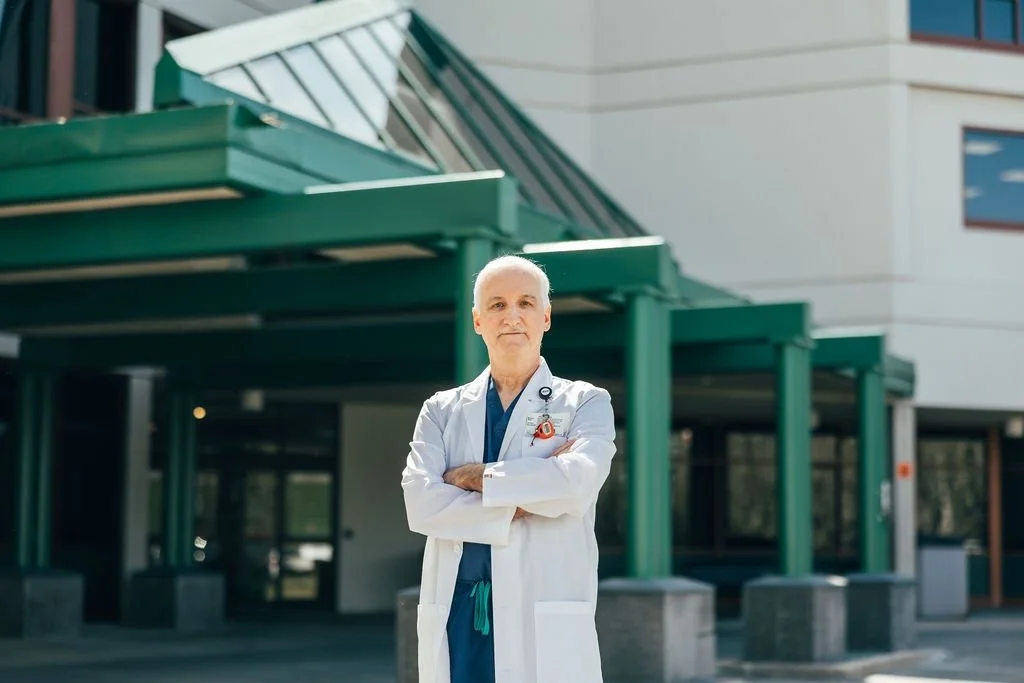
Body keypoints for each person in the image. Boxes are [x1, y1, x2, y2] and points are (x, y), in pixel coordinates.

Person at [401, 254, 617, 683]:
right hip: (459, 610)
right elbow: (421, 505)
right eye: (497, 305)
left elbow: (574, 486)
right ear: (478, 320)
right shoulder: (441, 410)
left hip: (543, 610)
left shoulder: (585, 403)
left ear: (546, 317)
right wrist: (525, 497)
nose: (512, 316)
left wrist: (473, 478)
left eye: (525, 303)